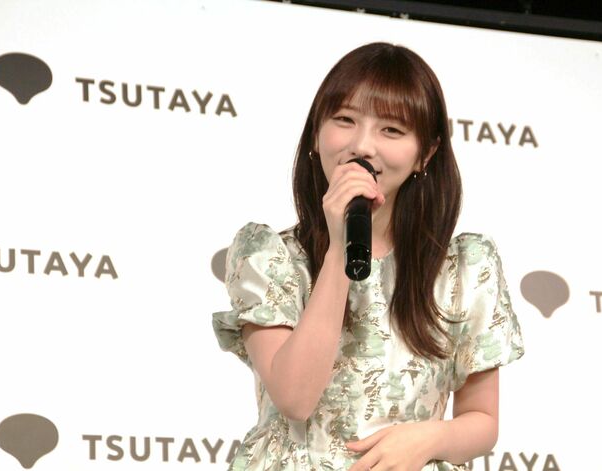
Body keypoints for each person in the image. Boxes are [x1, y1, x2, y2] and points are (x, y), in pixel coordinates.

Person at [213, 42, 524, 470]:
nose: (362, 145)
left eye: (391, 130)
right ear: (316, 132)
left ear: (425, 153)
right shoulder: (268, 255)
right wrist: (340, 247)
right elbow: (295, 398)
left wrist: (425, 439)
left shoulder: (464, 269)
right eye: (344, 120)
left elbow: (482, 421)